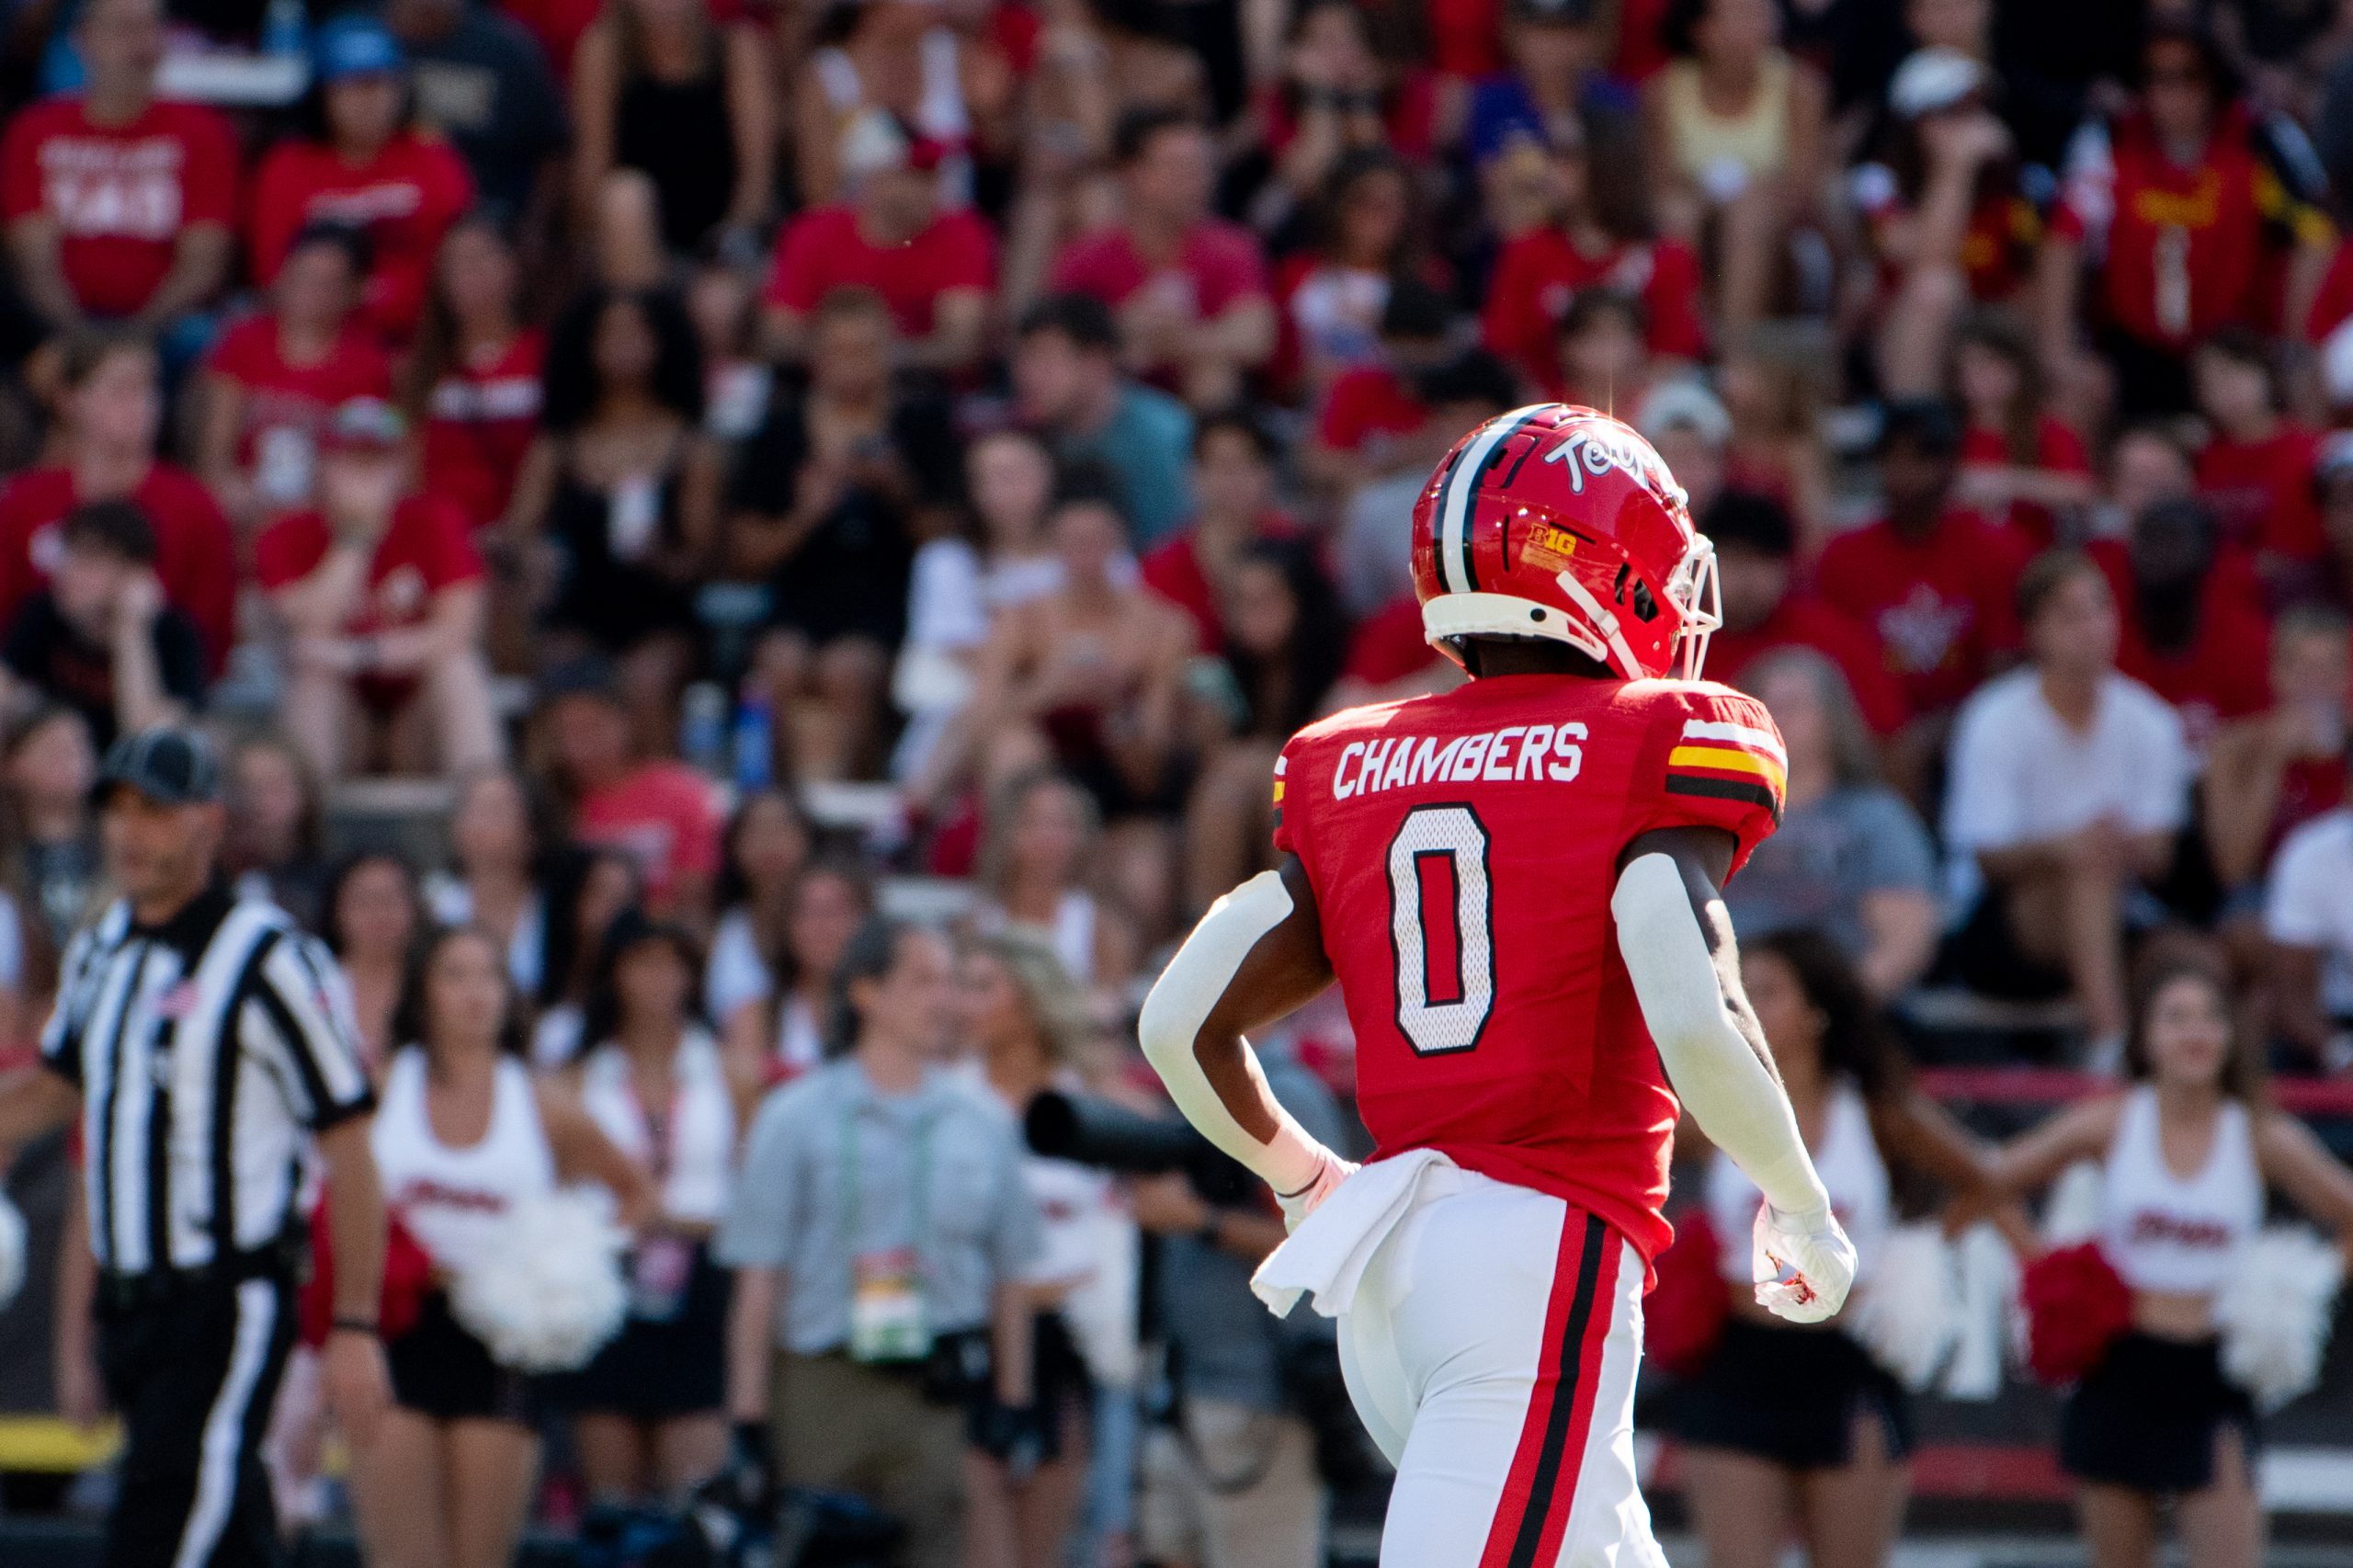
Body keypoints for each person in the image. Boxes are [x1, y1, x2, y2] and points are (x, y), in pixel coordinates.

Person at [1138, 404, 1855, 1564]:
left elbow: (1177, 1023)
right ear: (1614, 572)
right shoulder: (1653, 736)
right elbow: (1688, 1000)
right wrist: (1799, 1199)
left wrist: (1299, 1176)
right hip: (1536, 1266)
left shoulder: (1341, 759)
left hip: (1389, 1269)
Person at [0, 724, 392, 1568]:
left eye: (156, 811)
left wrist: (355, 1325)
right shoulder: (101, 951)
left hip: (227, 1299)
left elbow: (350, 1141)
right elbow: (56, 1089)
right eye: (118, 810)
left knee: (163, 1528)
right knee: (227, 1531)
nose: (130, 832)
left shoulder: (269, 958)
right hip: (130, 1305)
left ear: (210, 822)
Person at [1989, 960, 2353, 1568]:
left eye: (2212, 1019)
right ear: (2145, 1038)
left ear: (2233, 1037)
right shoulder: (2110, 1122)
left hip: (2213, 1378)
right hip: (2119, 1369)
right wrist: (2048, 1268)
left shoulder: (2260, 1135)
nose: (2196, 1033)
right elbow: (1989, 1182)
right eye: (2176, 1018)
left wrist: (2306, 1287)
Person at [718, 916, 1043, 1568]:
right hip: (821, 1383)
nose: (944, 1000)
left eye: (951, 983)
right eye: (922, 981)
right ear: (867, 993)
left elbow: (1011, 1276)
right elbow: (759, 1277)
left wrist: (1012, 1403)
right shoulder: (796, 1115)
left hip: (933, 1392)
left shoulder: (983, 1123)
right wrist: (748, 1418)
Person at [1669, 930, 1997, 1568]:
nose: (1747, 1005)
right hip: (1740, 1363)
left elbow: (1985, 1182)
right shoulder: (1714, 1109)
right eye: (1739, 991)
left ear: (1817, 1010)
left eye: (1768, 990)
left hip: (1848, 1367)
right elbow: (1626, 1162)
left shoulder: (1874, 1111)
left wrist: (1919, 1250)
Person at [355, 923, 649, 1568]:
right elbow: (328, 1193)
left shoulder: (541, 1100)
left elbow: (634, 1191)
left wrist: (573, 1261)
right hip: (396, 1332)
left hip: (500, 1344)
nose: (474, 993)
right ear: (422, 991)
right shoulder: (380, 1089)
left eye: (489, 975)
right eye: (454, 975)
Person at [1943, 551, 2193, 1056]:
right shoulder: (1993, 719)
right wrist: (2069, 846)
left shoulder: (2152, 721)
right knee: (2086, 870)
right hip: (1999, 926)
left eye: (2100, 610)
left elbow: (2162, 855)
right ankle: (2111, 1045)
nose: (2090, 628)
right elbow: (1989, 859)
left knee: (2193, 957)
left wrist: (2110, 845)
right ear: (2035, 630)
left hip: (2123, 912)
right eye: (2069, 615)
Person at [2039, 18, 2333, 417]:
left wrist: (2295, 343)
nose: (2170, 94)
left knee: (2302, 381)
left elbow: (2313, 237)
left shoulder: (2261, 138)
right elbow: (2064, 236)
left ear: (2214, 79)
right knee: (2073, 391)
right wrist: (2060, 353)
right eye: (2156, 78)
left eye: (2187, 78)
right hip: (2132, 341)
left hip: (2238, 342)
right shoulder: (2110, 138)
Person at [561, 913, 755, 1501]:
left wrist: (671, 1219)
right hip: (607, 1283)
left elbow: (753, 1197)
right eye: (643, 963)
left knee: (693, 1498)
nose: (660, 980)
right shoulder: (576, 1080)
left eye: (674, 964)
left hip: (702, 1281)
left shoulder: (732, 1073)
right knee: (613, 1503)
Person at [731, 286, 961, 782]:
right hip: (799, 598)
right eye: (840, 351)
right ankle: (775, 808)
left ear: (890, 353)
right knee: (778, 667)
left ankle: (847, 807)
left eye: (866, 350)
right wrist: (806, 514)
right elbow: (745, 555)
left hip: (887, 601)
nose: (853, 364)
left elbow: (949, 545)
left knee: (846, 673)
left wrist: (898, 488)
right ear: (817, 356)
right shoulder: (781, 429)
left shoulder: (923, 423)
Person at [950, 931, 1122, 1568]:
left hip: (1071, 1344)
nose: (962, 1003)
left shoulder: (1091, 1101)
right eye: (961, 986)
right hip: (973, 1339)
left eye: (982, 986)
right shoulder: (948, 1101)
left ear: (1029, 999)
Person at [256, 396, 504, 782]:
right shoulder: (286, 534)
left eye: (377, 463)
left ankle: (486, 814)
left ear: (400, 468)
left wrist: (358, 655)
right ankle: (311, 832)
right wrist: (356, 539)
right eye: (352, 462)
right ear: (323, 468)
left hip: (416, 713)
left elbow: (459, 631)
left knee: (459, 672)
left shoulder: (438, 521)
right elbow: (306, 629)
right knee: (315, 681)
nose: (365, 476)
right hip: (342, 714)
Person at [503, 286, 716, 694]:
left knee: (648, 679)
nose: (622, 346)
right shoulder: (558, 445)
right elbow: (518, 531)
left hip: (659, 614)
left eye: (636, 333)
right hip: (576, 611)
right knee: (567, 674)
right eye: (609, 334)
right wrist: (535, 555)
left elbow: (702, 560)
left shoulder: (690, 446)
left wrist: (661, 556)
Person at [0, 0, 237, 338]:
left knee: (206, 337)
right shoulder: (35, 129)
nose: (141, 43)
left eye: (151, 27)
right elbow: (32, 258)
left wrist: (134, 336)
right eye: (124, 27)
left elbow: (203, 259)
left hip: (167, 323)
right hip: (52, 320)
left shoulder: (203, 131)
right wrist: (79, 338)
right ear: (83, 39)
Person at [0, 333, 236, 672]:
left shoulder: (195, 506)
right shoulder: (25, 501)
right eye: (120, 391)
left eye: (149, 390)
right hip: (38, 688)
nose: (141, 406)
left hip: (156, 688)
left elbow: (210, 633)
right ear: (70, 400)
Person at [247, 14, 475, 347]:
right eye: (352, 85)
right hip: (315, 341)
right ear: (323, 95)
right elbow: (272, 273)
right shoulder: (287, 166)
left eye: (381, 83)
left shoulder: (434, 158)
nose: (369, 100)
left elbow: (461, 255)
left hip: (424, 339)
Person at [1726, 650, 1939, 999]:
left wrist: (1833, 1013)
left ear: (1832, 719)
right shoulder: (1711, 816)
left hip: (1836, 1011)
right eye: (1762, 706)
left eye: (1792, 705)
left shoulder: (1876, 819)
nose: (1776, 718)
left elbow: (1905, 944)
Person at [1047, 108, 1274, 406]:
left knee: (1212, 371)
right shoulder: (1087, 255)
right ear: (1133, 174)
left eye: (1202, 168)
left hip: (1194, 395)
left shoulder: (1231, 246)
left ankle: (1203, 450)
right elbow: (1055, 343)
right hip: (1112, 401)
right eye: (1179, 168)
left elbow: (1256, 337)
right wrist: (1123, 328)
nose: (1197, 181)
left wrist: (1174, 340)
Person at [1641, 0, 1826, 339]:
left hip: (1779, 238)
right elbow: (1659, 183)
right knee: (1677, 213)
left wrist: (1745, 200)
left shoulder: (1800, 87)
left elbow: (1804, 186)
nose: (1762, 24)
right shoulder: (1662, 91)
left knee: (1747, 215)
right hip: (1697, 220)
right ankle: (1683, 340)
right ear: (1701, 29)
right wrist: (1709, 201)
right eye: (1743, 14)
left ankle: (1735, 348)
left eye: (1764, 13)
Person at [759, 115, 995, 374]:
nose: (931, 186)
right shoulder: (813, 233)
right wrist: (854, 359)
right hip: (825, 388)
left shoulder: (961, 232)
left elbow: (961, 343)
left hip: (929, 392)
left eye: (932, 173)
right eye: (914, 173)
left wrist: (866, 356)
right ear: (872, 178)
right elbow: (779, 335)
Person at [195, 223, 392, 529]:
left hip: (321, 512)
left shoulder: (367, 365)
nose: (309, 291)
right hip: (244, 501)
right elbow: (215, 455)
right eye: (301, 276)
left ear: (353, 291)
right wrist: (236, 491)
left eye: (326, 283)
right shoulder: (243, 342)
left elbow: (360, 461)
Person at [567, 0, 774, 258]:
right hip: (633, 243)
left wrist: (726, 243)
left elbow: (756, 182)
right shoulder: (605, 52)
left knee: (716, 297)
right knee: (625, 197)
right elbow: (592, 173)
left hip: (722, 243)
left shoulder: (737, 50)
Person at [0, 498, 206, 749]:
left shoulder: (174, 637)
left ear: (134, 573)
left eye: (89, 561)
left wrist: (131, 629)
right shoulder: (43, 613)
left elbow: (146, 739)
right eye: (68, 554)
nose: (68, 571)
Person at [1699, 490, 1907, 737]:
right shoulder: (1676, 640)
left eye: (1764, 560)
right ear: (1703, 564)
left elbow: (1889, 734)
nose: (1749, 578)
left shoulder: (1829, 639)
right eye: (1734, 560)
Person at [537, 659, 724, 925]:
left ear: (626, 720)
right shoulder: (551, 806)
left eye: (591, 727)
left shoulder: (683, 794)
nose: (578, 747)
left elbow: (695, 901)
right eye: (565, 733)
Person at [1009, 293, 1195, 547]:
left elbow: (1173, 542)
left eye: (1044, 358)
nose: (1026, 375)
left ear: (1096, 362)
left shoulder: (1162, 435)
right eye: (1023, 359)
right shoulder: (1028, 433)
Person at [407, 218, 546, 536]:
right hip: (440, 542)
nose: (468, 272)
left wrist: (512, 534)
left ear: (511, 268)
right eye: (455, 263)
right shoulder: (425, 367)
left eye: (480, 258)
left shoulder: (544, 355)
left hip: (515, 540)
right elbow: (411, 467)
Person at [2203, 608, 2353, 897]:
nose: (2316, 682)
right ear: (2276, 672)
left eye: (2329, 668)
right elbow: (2233, 869)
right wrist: (2273, 759)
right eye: (2303, 668)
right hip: (2263, 896)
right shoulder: (2233, 749)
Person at [386, 0, 571, 231]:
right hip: (389, 206)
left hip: (488, 215)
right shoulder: (365, 42)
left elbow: (552, 147)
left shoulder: (506, 49)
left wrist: (534, 229)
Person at [974, 768, 1139, 997]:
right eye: (1034, 822)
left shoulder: (1103, 928)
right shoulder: (978, 923)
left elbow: (1113, 1010)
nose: (1048, 838)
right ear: (1007, 832)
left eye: (1062, 824)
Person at [718, 856, 874, 1084]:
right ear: (787, 925)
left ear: (866, 921)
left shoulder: (894, 1015)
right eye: (808, 912)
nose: (822, 926)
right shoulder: (753, 1018)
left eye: (836, 911)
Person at [425, 767, 553, 995]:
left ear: (531, 832)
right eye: (471, 810)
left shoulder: (556, 907)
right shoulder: (433, 905)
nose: (480, 822)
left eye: (496, 811)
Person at [703, 789, 813, 1028]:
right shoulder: (710, 930)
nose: (770, 842)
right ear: (734, 845)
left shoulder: (835, 927)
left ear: (807, 839)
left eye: (782, 828)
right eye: (757, 830)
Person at [3, 705, 102, 953]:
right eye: (55, 750)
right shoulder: (6, 860)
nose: (73, 759)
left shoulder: (119, 848)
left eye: (80, 745)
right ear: (12, 766)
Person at [320, 850, 427, 1071]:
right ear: (337, 909)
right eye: (363, 901)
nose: (379, 913)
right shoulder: (316, 983)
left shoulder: (434, 987)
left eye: (390, 899)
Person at [222, 733, 332, 930]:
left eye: (274, 786)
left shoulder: (330, 883)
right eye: (246, 788)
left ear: (305, 795)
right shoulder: (212, 880)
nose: (257, 801)